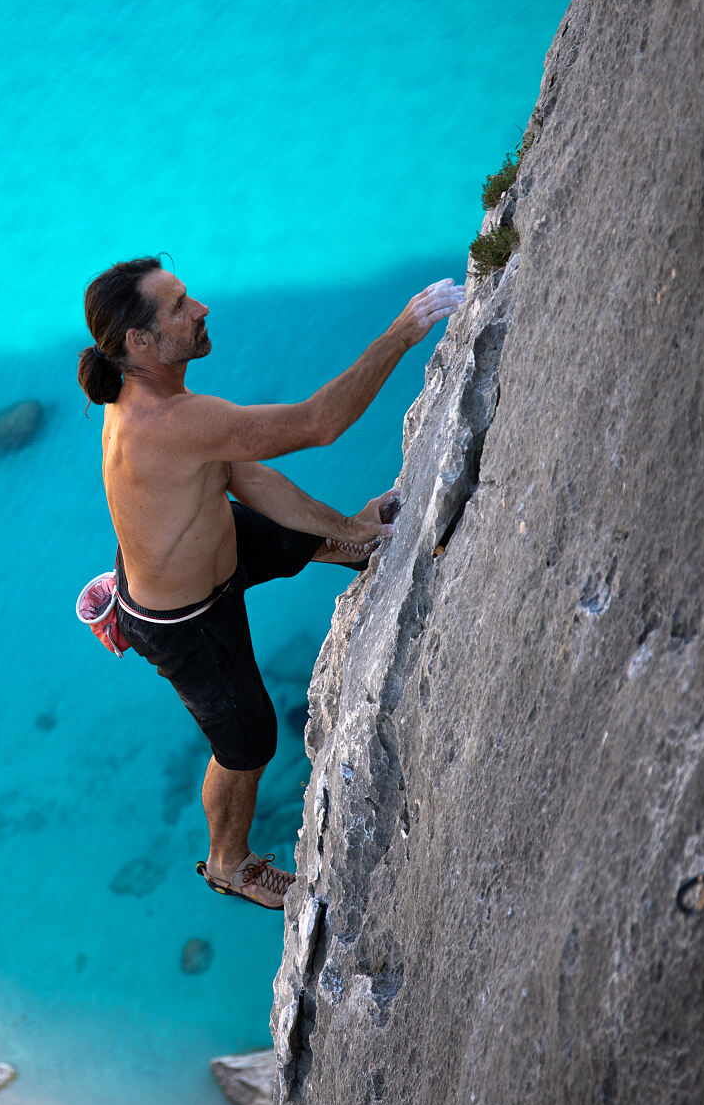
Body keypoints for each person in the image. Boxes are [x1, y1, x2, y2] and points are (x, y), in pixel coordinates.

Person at [78, 257, 464, 910]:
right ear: (140, 343)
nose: (200, 307)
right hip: (186, 621)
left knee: (293, 537)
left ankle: (351, 543)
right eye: (178, 307)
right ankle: (231, 863)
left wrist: (344, 528)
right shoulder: (172, 423)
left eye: (187, 295)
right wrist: (403, 330)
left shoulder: (169, 406)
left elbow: (245, 476)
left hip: (205, 541)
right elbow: (320, 423)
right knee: (249, 740)